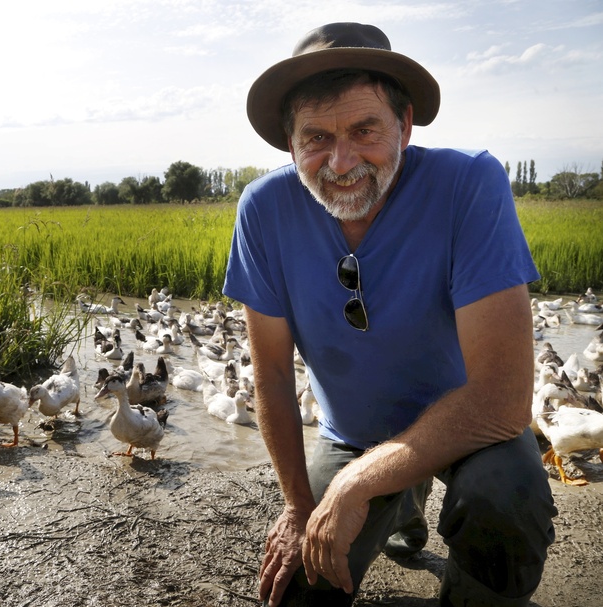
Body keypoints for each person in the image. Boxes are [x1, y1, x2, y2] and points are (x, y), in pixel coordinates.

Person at [223, 22, 557, 607]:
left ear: (405, 124)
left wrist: (358, 482)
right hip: (353, 431)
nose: (341, 161)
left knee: (505, 501)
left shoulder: (468, 183)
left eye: (364, 129)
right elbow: (272, 374)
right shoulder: (264, 210)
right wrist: (300, 507)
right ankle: (402, 500)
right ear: (289, 144)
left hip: (471, 430)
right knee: (299, 585)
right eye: (316, 138)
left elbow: (503, 399)